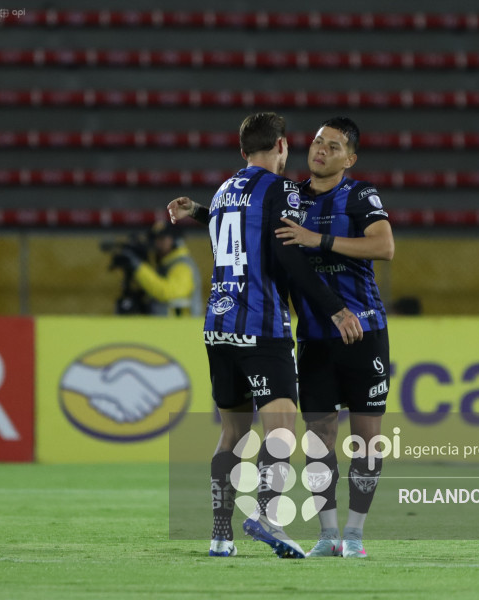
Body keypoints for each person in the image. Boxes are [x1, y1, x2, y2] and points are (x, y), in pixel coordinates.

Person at [166, 112, 363, 560]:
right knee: (280, 428)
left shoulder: (222, 191)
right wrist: (334, 308)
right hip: (261, 327)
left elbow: (236, 230)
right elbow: (287, 254)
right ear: (281, 146)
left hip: (218, 328)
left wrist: (195, 210)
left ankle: (220, 535)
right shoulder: (281, 189)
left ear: (242, 152)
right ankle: (268, 517)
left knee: (232, 432)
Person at [274, 116, 395, 559]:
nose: (321, 150)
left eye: (334, 146)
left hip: (364, 332)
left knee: (365, 439)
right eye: (318, 142)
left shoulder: (360, 195)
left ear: (350, 158)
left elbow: (384, 246)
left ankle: (356, 534)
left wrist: (317, 239)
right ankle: (327, 535)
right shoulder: (290, 196)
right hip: (315, 337)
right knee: (320, 435)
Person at [113, 221, 203, 316]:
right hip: (168, 327)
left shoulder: (183, 266)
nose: (157, 243)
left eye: (162, 239)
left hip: (183, 327)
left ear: (175, 240)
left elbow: (167, 292)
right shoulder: (164, 265)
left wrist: (138, 267)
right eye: (154, 239)